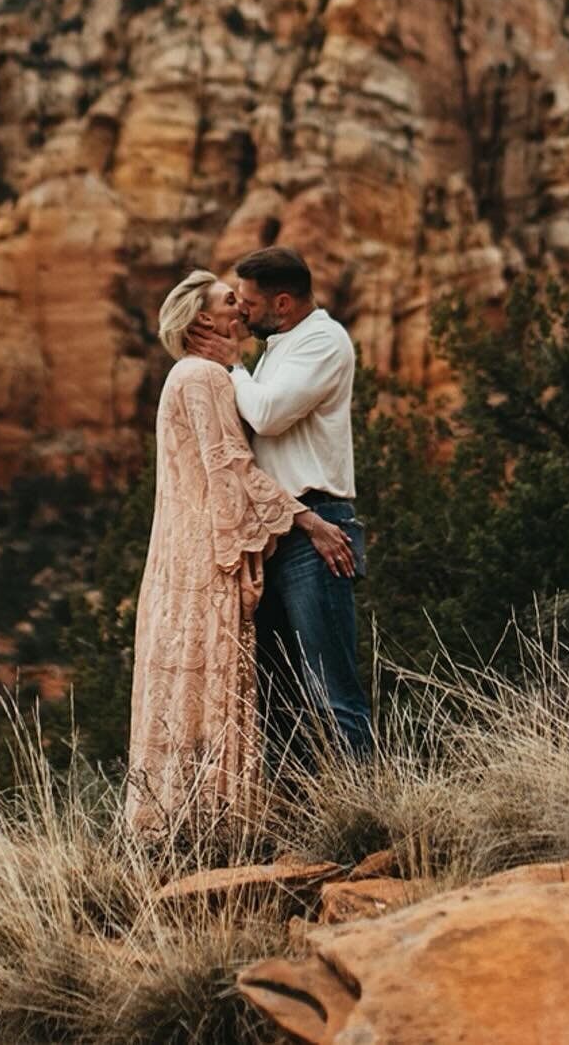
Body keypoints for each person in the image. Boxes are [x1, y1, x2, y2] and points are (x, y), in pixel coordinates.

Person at [125, 268, 353, 831]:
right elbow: (231, 466)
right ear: (204, 320)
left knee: (253, 687)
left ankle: (192, 818)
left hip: (200, 548)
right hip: (210, 554)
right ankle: (216, 819)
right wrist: (305, 520)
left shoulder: (207, 372)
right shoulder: (203, 376)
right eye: (231, 301)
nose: (241, 309)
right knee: (235, 683)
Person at [187, 246, 373, 767]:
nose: (241, 311)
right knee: (277, 697)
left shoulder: (323, 342)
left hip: (318, 532)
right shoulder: (277, 347)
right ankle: (296, 820)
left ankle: (367, 814)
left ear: (283, 303)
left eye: (247, 302)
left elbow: (268, 417)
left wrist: (231, 365)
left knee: (333, 691)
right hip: (274, 530)